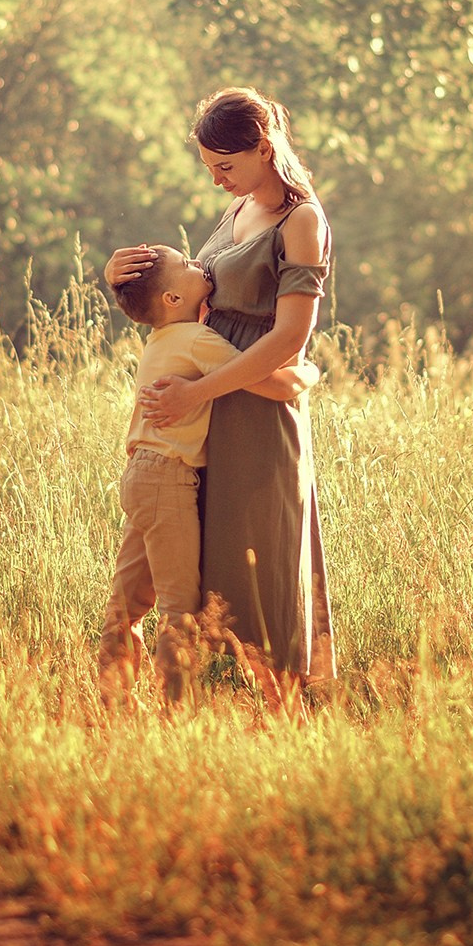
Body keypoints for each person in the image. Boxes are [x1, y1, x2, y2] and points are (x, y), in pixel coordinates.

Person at [105, 87, 336, 687]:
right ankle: (190, 700)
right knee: (198, 571)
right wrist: (120, 279)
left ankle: (288, 709)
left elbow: (289, 337)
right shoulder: (237, 208)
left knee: (265, 571)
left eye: (225, 166)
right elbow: (181, 298)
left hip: (256, 413)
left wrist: (198, 392)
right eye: (209, 168)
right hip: (202, 424)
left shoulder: (302, 220)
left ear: (264, 149)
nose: (216, 180)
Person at [99, 244, 318, 707]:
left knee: (126, 605)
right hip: (168, 479)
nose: (199, 264)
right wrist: (311, 372)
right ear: (173, 299)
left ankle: (113, 703)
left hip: (139, 475)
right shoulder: (197, 340)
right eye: (187, 264)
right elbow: (270, 382)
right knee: (179, 608)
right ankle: (175, 713)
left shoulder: (160, 337)